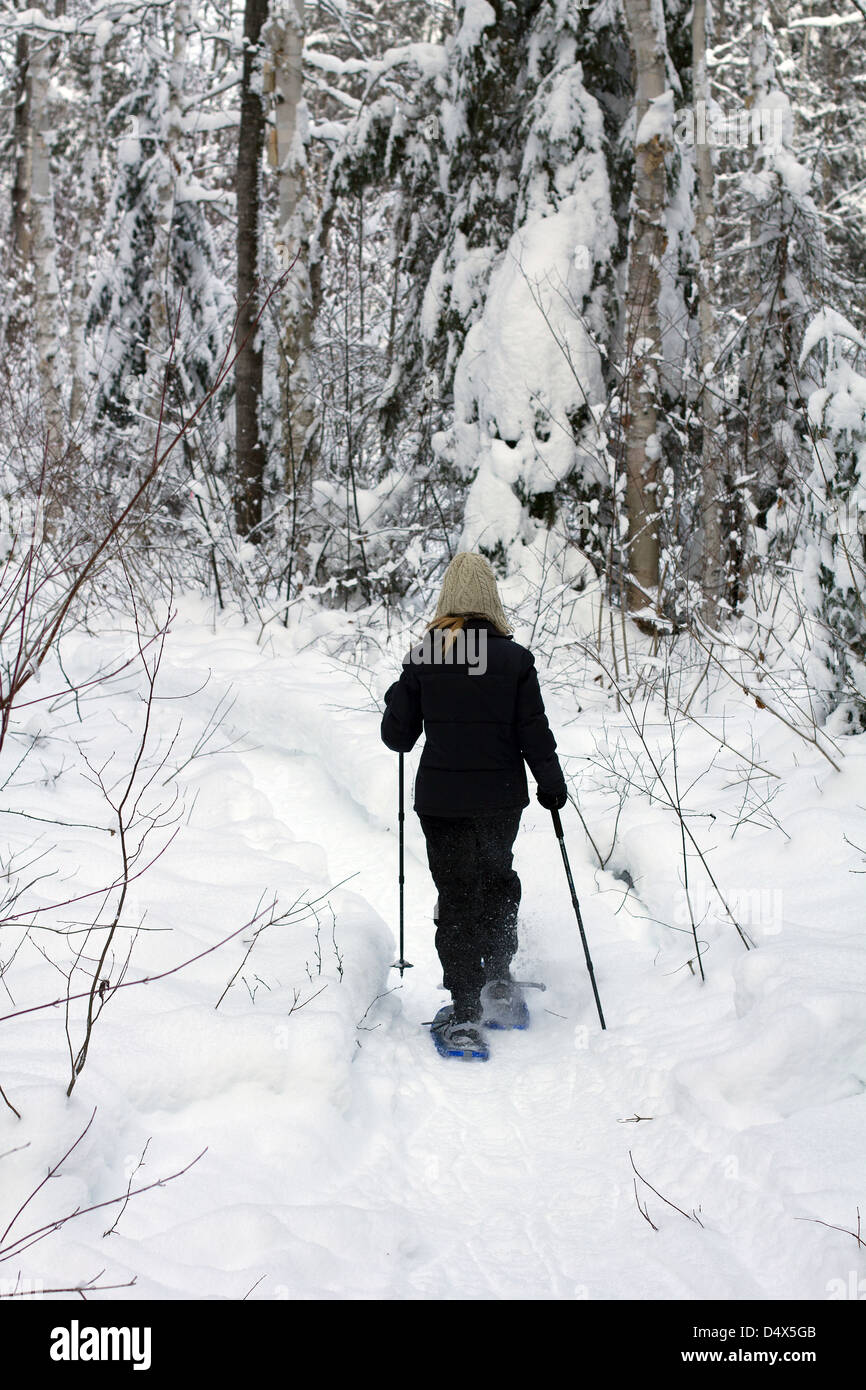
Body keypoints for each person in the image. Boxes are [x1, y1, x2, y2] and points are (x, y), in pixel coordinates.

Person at [380, 551, 568, 1057]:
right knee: (497, 880)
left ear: (447, 598)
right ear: (490, 599)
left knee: (457, 897)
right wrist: (551, 783)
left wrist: (402, 685)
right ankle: (500, 983)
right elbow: (535, 732)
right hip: (501, 801)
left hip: (442, 804)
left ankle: (464, 1015)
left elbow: (397, 738)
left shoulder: (426, 656)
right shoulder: (514, 659)